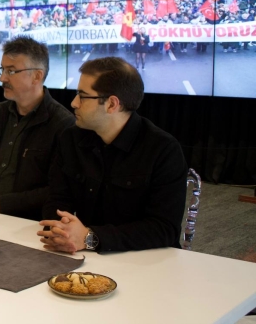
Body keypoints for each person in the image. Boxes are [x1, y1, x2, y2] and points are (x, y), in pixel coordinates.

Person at [38, 57, 187, 253]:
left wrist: (90, 238)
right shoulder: (71, 139)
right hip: (82, 253)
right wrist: (61, 231)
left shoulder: (163, 150)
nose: (74, 103)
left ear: (111, 104)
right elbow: (57, 199)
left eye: (83, 96)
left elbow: (164, 228)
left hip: (145, 259)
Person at [0, 37, 74, 220]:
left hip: (24, 222)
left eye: (11, 71)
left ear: (37, 76)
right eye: (3, 69)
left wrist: (1, 203)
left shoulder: (62, 124)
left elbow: (56, 190)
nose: (2, 78)